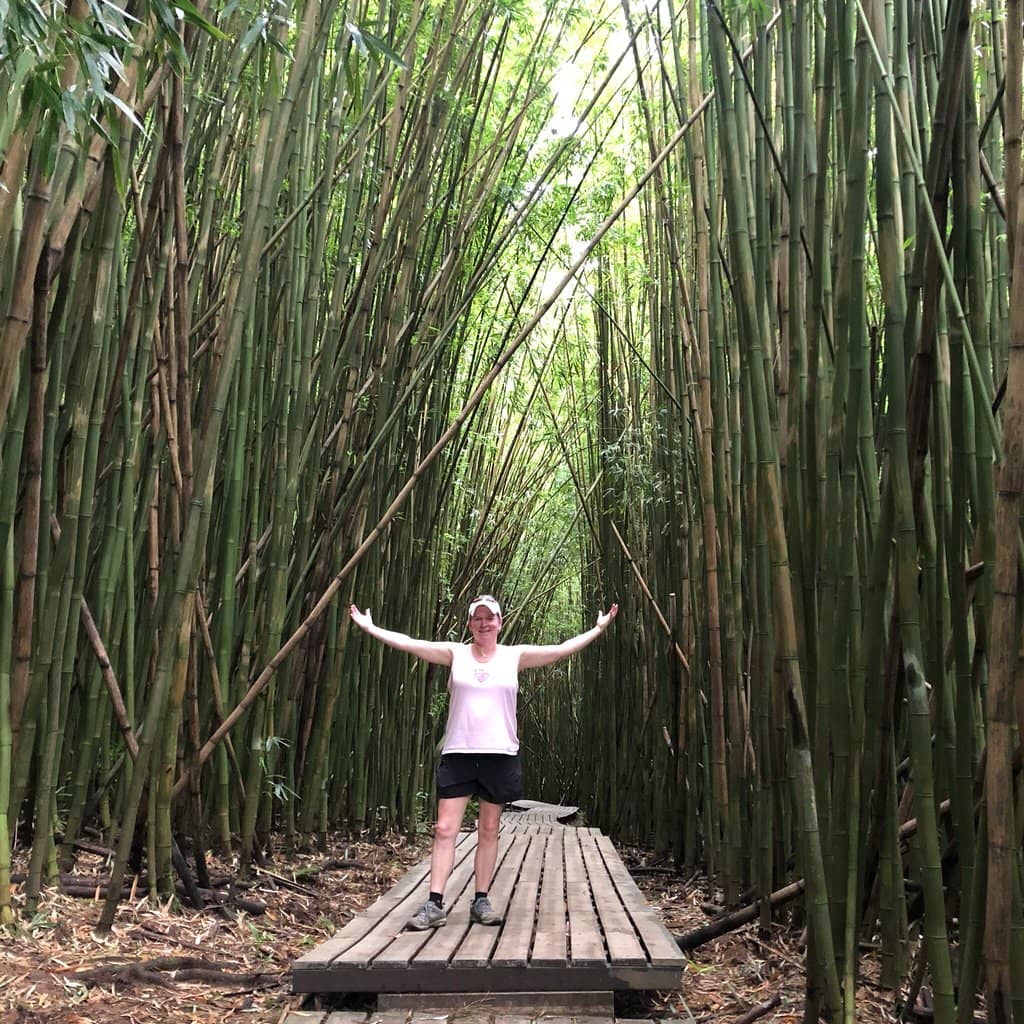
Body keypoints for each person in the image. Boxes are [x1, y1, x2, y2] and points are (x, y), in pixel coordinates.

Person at [348, 593, 619, 930]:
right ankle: (434, 904)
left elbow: (561, 649)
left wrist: (597, 629)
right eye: (477, 618)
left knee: (489, 829)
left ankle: (481, 899)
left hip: (500, 754)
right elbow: (408, 643)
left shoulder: (514, 656)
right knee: (445, 829)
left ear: (499, 622)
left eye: (489, 617)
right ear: (470, 624)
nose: (483, 623)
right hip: (459, 752)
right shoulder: (455, 653)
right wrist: (371, 628)